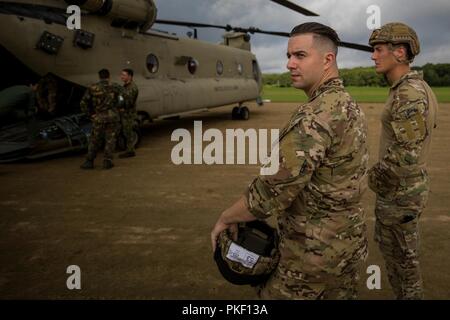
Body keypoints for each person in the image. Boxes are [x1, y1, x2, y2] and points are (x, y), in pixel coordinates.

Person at [211, 22, 369, 299]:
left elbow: (270, 193)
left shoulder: (314, 117)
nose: (290, 64)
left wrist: (225, 218)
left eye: (300, 55)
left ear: (327, 59)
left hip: (311, 260)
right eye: (288, 56)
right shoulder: (347, 104)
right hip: (346, 248)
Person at [368, 22, 438, 299]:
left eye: (378, 49)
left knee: (404, 266)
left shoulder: (409, 94)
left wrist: (371, 179)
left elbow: (404, 156)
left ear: (399, 52)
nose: (373, 56)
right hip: (403, 191)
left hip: (400, 194)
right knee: (400, 261)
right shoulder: (411, 88)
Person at [80, 69, 122, 170]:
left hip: (99, 118)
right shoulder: (115, 86)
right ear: (109, 76)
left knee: (94, 140)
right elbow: (122, 99)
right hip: (112, 117)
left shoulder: (93, 87)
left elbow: (83, 103)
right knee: (110, 140)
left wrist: (90, 115)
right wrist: (118, 109)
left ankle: (89, 161)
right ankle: (107, 161)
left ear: (99, 77)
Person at [118, 68, 139, 158]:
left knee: (128, 132)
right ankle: (129, 150)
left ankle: (130, 151)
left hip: (128, 114)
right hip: (124, 113)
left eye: (124, 75)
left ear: (129, 76)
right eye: (121, 75)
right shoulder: (125, 86)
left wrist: (121, 106)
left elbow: (128, 102)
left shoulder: (132, 87)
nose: (122, 76)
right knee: (126, 132)